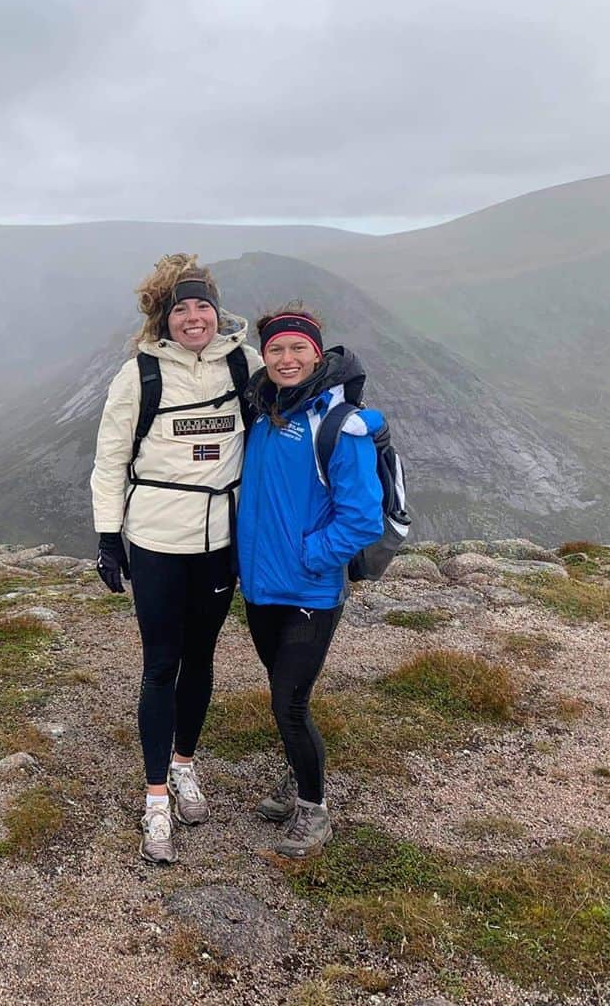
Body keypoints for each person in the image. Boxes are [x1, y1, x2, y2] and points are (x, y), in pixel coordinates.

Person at [91, 254, 261, 864]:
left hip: (220, 543)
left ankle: (185, 763)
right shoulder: (139, 375)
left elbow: (288, 409)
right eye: (181, 308)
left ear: (218, 312)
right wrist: (109, 538)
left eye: (203, 306)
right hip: (159, 541)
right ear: (165, 318)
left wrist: (337, 385)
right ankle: (156, 796)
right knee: (161, 664)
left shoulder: (246, 363)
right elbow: (110, 460)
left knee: (203, 658)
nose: (194, 317)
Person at [236, 304, 385, 858]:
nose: (286, 358)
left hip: (310, 590)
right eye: (276, 349)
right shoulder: (262, 411)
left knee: (288, 704)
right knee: (286, 694)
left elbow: (363, 517)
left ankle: (315, 811)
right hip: (260, 589)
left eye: (298, 348)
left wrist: (309, 557)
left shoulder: (338, 424)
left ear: (317, 354)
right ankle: (300, 778)